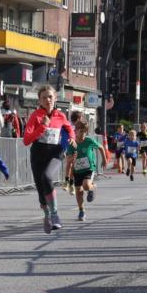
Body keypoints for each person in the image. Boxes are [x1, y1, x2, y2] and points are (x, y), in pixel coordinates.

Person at [23, 84, 74, 233]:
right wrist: (41, 128)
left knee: (47, 177)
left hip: (55, 153)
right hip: (38, 154)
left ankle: (55, 214)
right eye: (44, 97)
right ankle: (47, 215)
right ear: (39, 100)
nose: (48, 100)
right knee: (41, 191)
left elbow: (69, 127)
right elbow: (26, 140)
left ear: (55, 98)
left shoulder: (60, 115)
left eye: (50, 97)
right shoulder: (35, 116)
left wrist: (71, 137)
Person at [66, 121, 104, 221]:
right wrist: (71, 160)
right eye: (80, 131)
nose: (83, 134)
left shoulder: (89, 141)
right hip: (77, 170)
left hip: (88, 169)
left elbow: (101, 147)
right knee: (79, 191)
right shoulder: (72, 144)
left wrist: (104, 160)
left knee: (86, 185)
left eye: (85, 132)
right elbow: (68, 160)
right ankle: (81, 211)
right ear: (75, 131)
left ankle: (92, 187)